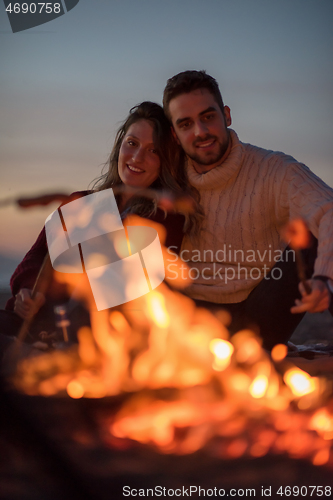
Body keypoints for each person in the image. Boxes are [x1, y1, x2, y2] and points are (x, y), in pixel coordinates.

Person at [3, 101, 201, 343]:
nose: (137, 157)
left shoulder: (163, 221)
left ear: (165, 161)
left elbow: (124, 287)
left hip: (90, 337)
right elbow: (33, 260)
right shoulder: (79, 204)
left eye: (153, 150)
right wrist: (28, 293)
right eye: (132, 143)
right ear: (119, 146)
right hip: (29, 324)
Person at [163, 70, 333, 349]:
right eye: (186, 124)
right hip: (188, 321)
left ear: (226, 115)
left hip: (261, 314)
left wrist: (325, 278)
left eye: (208, 117)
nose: (200, 132)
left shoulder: (274, 169)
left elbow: (328, 209)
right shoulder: (168, 178)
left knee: (317, 236)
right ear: (174, 133)